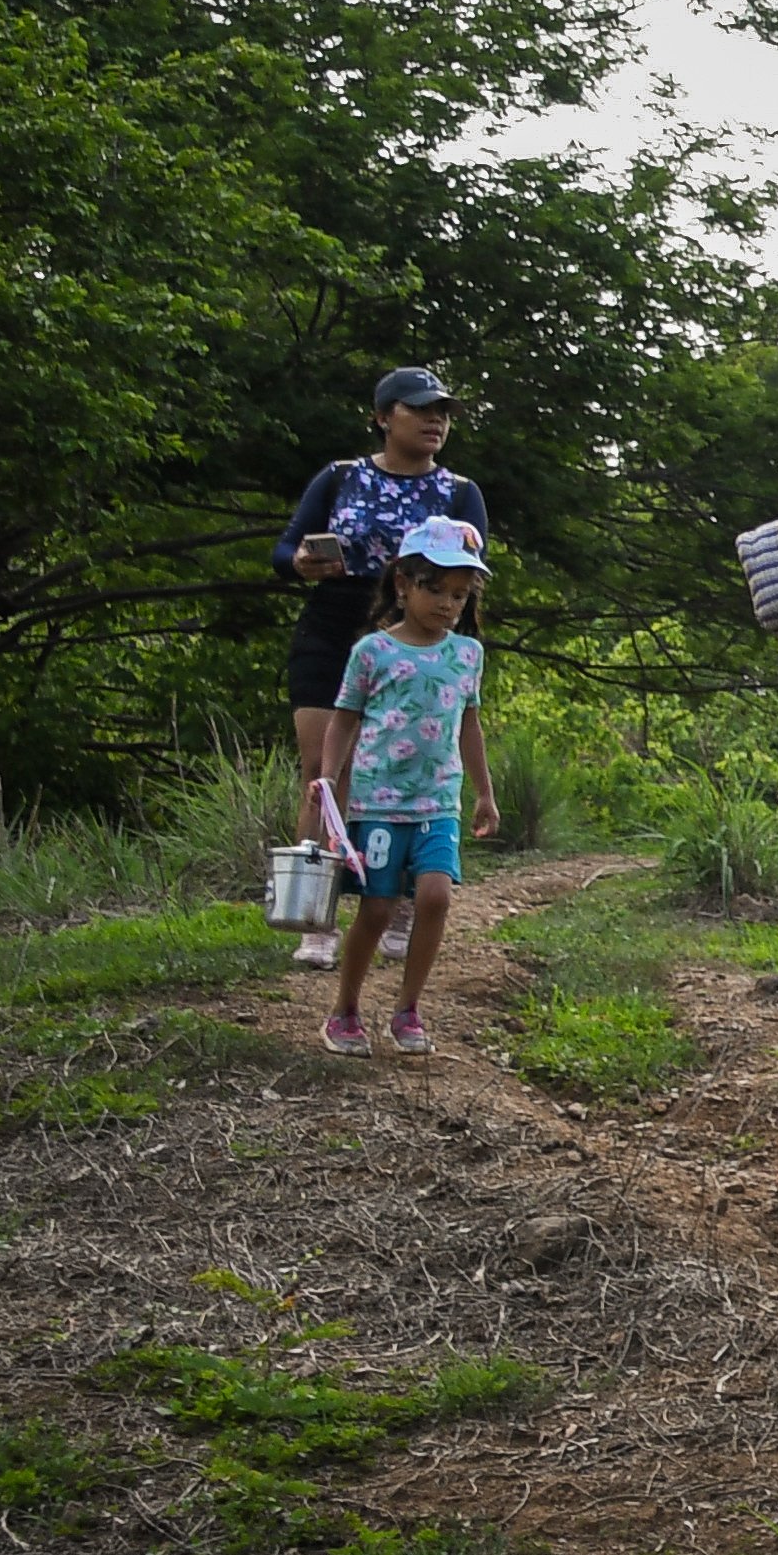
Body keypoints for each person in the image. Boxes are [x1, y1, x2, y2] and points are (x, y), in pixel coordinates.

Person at [269, 368, 489, 965]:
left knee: (412, 760)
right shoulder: (340, 477)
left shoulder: (460, 492)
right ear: (384, 416)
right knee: (322, 769)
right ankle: (314, 913)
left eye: (443, 411)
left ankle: (402, 899)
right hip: (334, 622)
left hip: (417, 631)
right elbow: (284, 550)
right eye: (421, 409)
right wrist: (303, 562)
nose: (435, 421)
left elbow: (470, 575)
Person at [320, 519, 493, 1055]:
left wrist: (484, 792)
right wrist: (327, 776)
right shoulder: (373, 652)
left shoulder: (467, 654)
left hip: (438, 801)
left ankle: (407, 1009)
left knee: (435, 897)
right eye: (435, 589)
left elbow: (469, 725)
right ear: (402, 585)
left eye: (459, 595)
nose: (447, 604)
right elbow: (344, 718)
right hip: (378, 801)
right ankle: (345, 1010)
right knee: (376, 908)